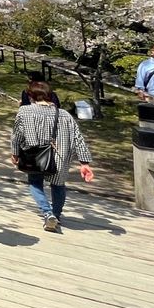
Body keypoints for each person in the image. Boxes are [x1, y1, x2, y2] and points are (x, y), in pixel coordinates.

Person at [11, 81, 95, 232]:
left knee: (35, 183)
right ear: (50, 95)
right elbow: (77, 138)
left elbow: (17, 135)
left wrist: (15, 152)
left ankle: (47, 213)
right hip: (59, 156)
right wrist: (84, 162)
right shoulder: (64, 115)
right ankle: (56, 214)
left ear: (30, 95)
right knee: (58, 185)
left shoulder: (24, 111)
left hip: (34, 154)